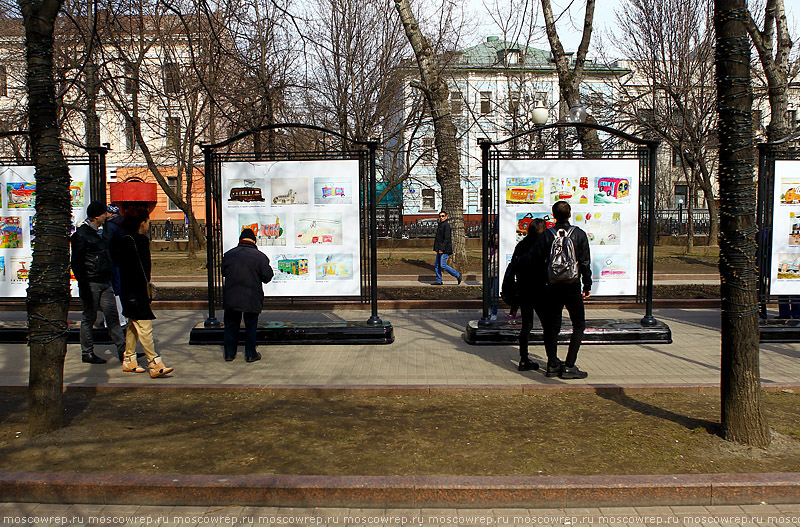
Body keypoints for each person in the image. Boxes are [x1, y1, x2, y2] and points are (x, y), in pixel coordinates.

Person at [529, 200, 592, 379]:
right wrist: (587, 285)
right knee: (578, 324)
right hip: (572, 285)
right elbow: (585, 262)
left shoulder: (546, 235)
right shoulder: (579, 234)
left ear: (553, 215)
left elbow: (536, 260)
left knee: (551, 327)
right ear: (570, 214)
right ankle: (570, 365)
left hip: (552, 287)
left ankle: (551, 364)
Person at [112, 207, 174, 378]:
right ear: (142, 223)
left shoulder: (123, 239)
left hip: (128, 290)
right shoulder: (139, 241)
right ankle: (154, 363)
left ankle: (129, 359)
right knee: (145, 327)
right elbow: (144, 269)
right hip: (136, 290)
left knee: (133, 325)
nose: (148, 224)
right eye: (147, 221)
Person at [70, 201, 126, 364]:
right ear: (96, 216)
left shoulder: (101, 232)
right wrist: (84, 284)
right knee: (89, 317)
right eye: (103, 214)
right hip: (91, 282)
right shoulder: (82, 235)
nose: (106, 216)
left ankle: (123, 351)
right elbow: (77, 263)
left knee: (112, 316)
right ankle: (87, 352)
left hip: (104, 281)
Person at [221, 228, 274, 362]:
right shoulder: (260, 257)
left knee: (231, 325)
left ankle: (229, 353)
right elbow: (267, 277)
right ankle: (250, 354)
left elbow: (224, 272)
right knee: (251, 326)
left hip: (232, 297)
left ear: (240, 240)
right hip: (251, 297)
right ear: (254, 241)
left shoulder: (228, 255)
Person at [509, 218, 548, 371]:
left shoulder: (522, 244)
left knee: (526, 325)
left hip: (524, 289)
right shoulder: (543, 245)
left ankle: (524, 358)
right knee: (547, 325)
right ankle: (552, 359)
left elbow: (514, 265)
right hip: (540, 289)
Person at [103, 203, 127, 329]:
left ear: (109, 213)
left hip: (113, 262)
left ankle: (115, 319)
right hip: (124, 262)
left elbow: (107, 245)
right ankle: (123, 317)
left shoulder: (110, 227)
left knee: (113, 290)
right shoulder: (125, 224)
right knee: (120, 289)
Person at [432, 211, 462, 286]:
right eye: (440, 216)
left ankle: (457, 275)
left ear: (446, 217)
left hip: (445, 249)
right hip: (439, 248)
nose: (441, 217)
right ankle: (439, 280)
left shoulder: (446, 225)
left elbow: (447, 238)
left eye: (443, 216)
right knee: (437, 265)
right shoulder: (440, 225)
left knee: (443, 264)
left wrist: (442, 248)